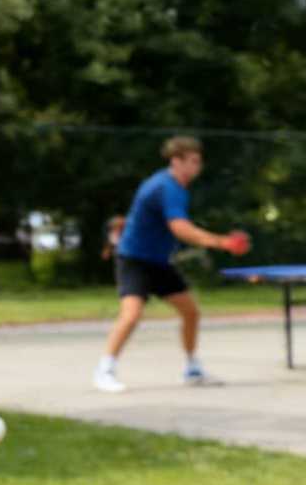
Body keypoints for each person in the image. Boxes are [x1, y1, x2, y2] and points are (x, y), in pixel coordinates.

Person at [92, 137, 249, 392]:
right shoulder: (166, 187)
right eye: (192, 161)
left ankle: (191, 368)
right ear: (176, 162)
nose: (197, 166)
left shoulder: (177, 187)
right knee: (131, 316)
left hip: (157, 262)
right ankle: (104, 370)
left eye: (199, 160)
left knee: (190, 312)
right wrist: (222, 242)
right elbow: (179, 228)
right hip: (134, 259)